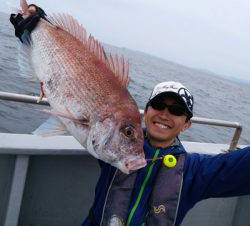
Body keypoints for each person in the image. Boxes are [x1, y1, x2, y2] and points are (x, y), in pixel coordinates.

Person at [82, 81, 250, 225]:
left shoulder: (194, 170)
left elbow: (240, 165)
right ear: (146, 112)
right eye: (158, 105)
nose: (164, 114)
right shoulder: (114, 139)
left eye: (176, 110)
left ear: (186, 125)